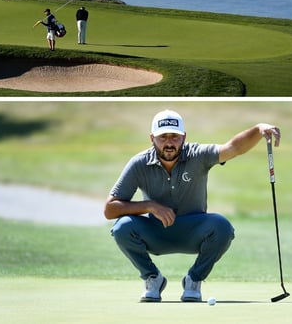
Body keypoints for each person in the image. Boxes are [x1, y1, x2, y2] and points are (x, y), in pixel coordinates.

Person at [104, 109, 281, 303]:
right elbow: (110, 209)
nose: (169, 143)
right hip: (157, 232)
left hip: (194, 231)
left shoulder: (198, 155)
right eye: (163, 137)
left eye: (175, 137)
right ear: (152, 138)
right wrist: (150, 206)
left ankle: (193, 280)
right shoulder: (139, 163)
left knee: (222, 226)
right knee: (122, 227)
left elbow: (233, 148)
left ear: (184, 137)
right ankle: (152, 278)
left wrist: (258, 129)